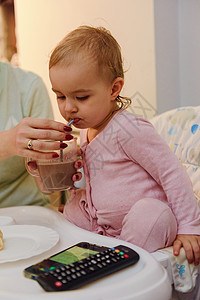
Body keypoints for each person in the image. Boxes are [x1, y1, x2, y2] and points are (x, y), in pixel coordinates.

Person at [48, 26, 200, 265]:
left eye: (81, 97)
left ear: (114, 89)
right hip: (105, 225)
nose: (69, 108)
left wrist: (190, 227)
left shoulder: (129, 129)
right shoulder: (87, 130)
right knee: (73, 210)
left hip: (145, 221)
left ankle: (121, 262)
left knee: (150, 215)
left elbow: (172, 173)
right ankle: (102, 252)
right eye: (61, 96)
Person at [0, 61, 77, 208]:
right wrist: (7, 142)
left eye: (83, 97)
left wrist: (49, 178)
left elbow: (43, 173)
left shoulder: (29, 86)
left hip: (27, 209)